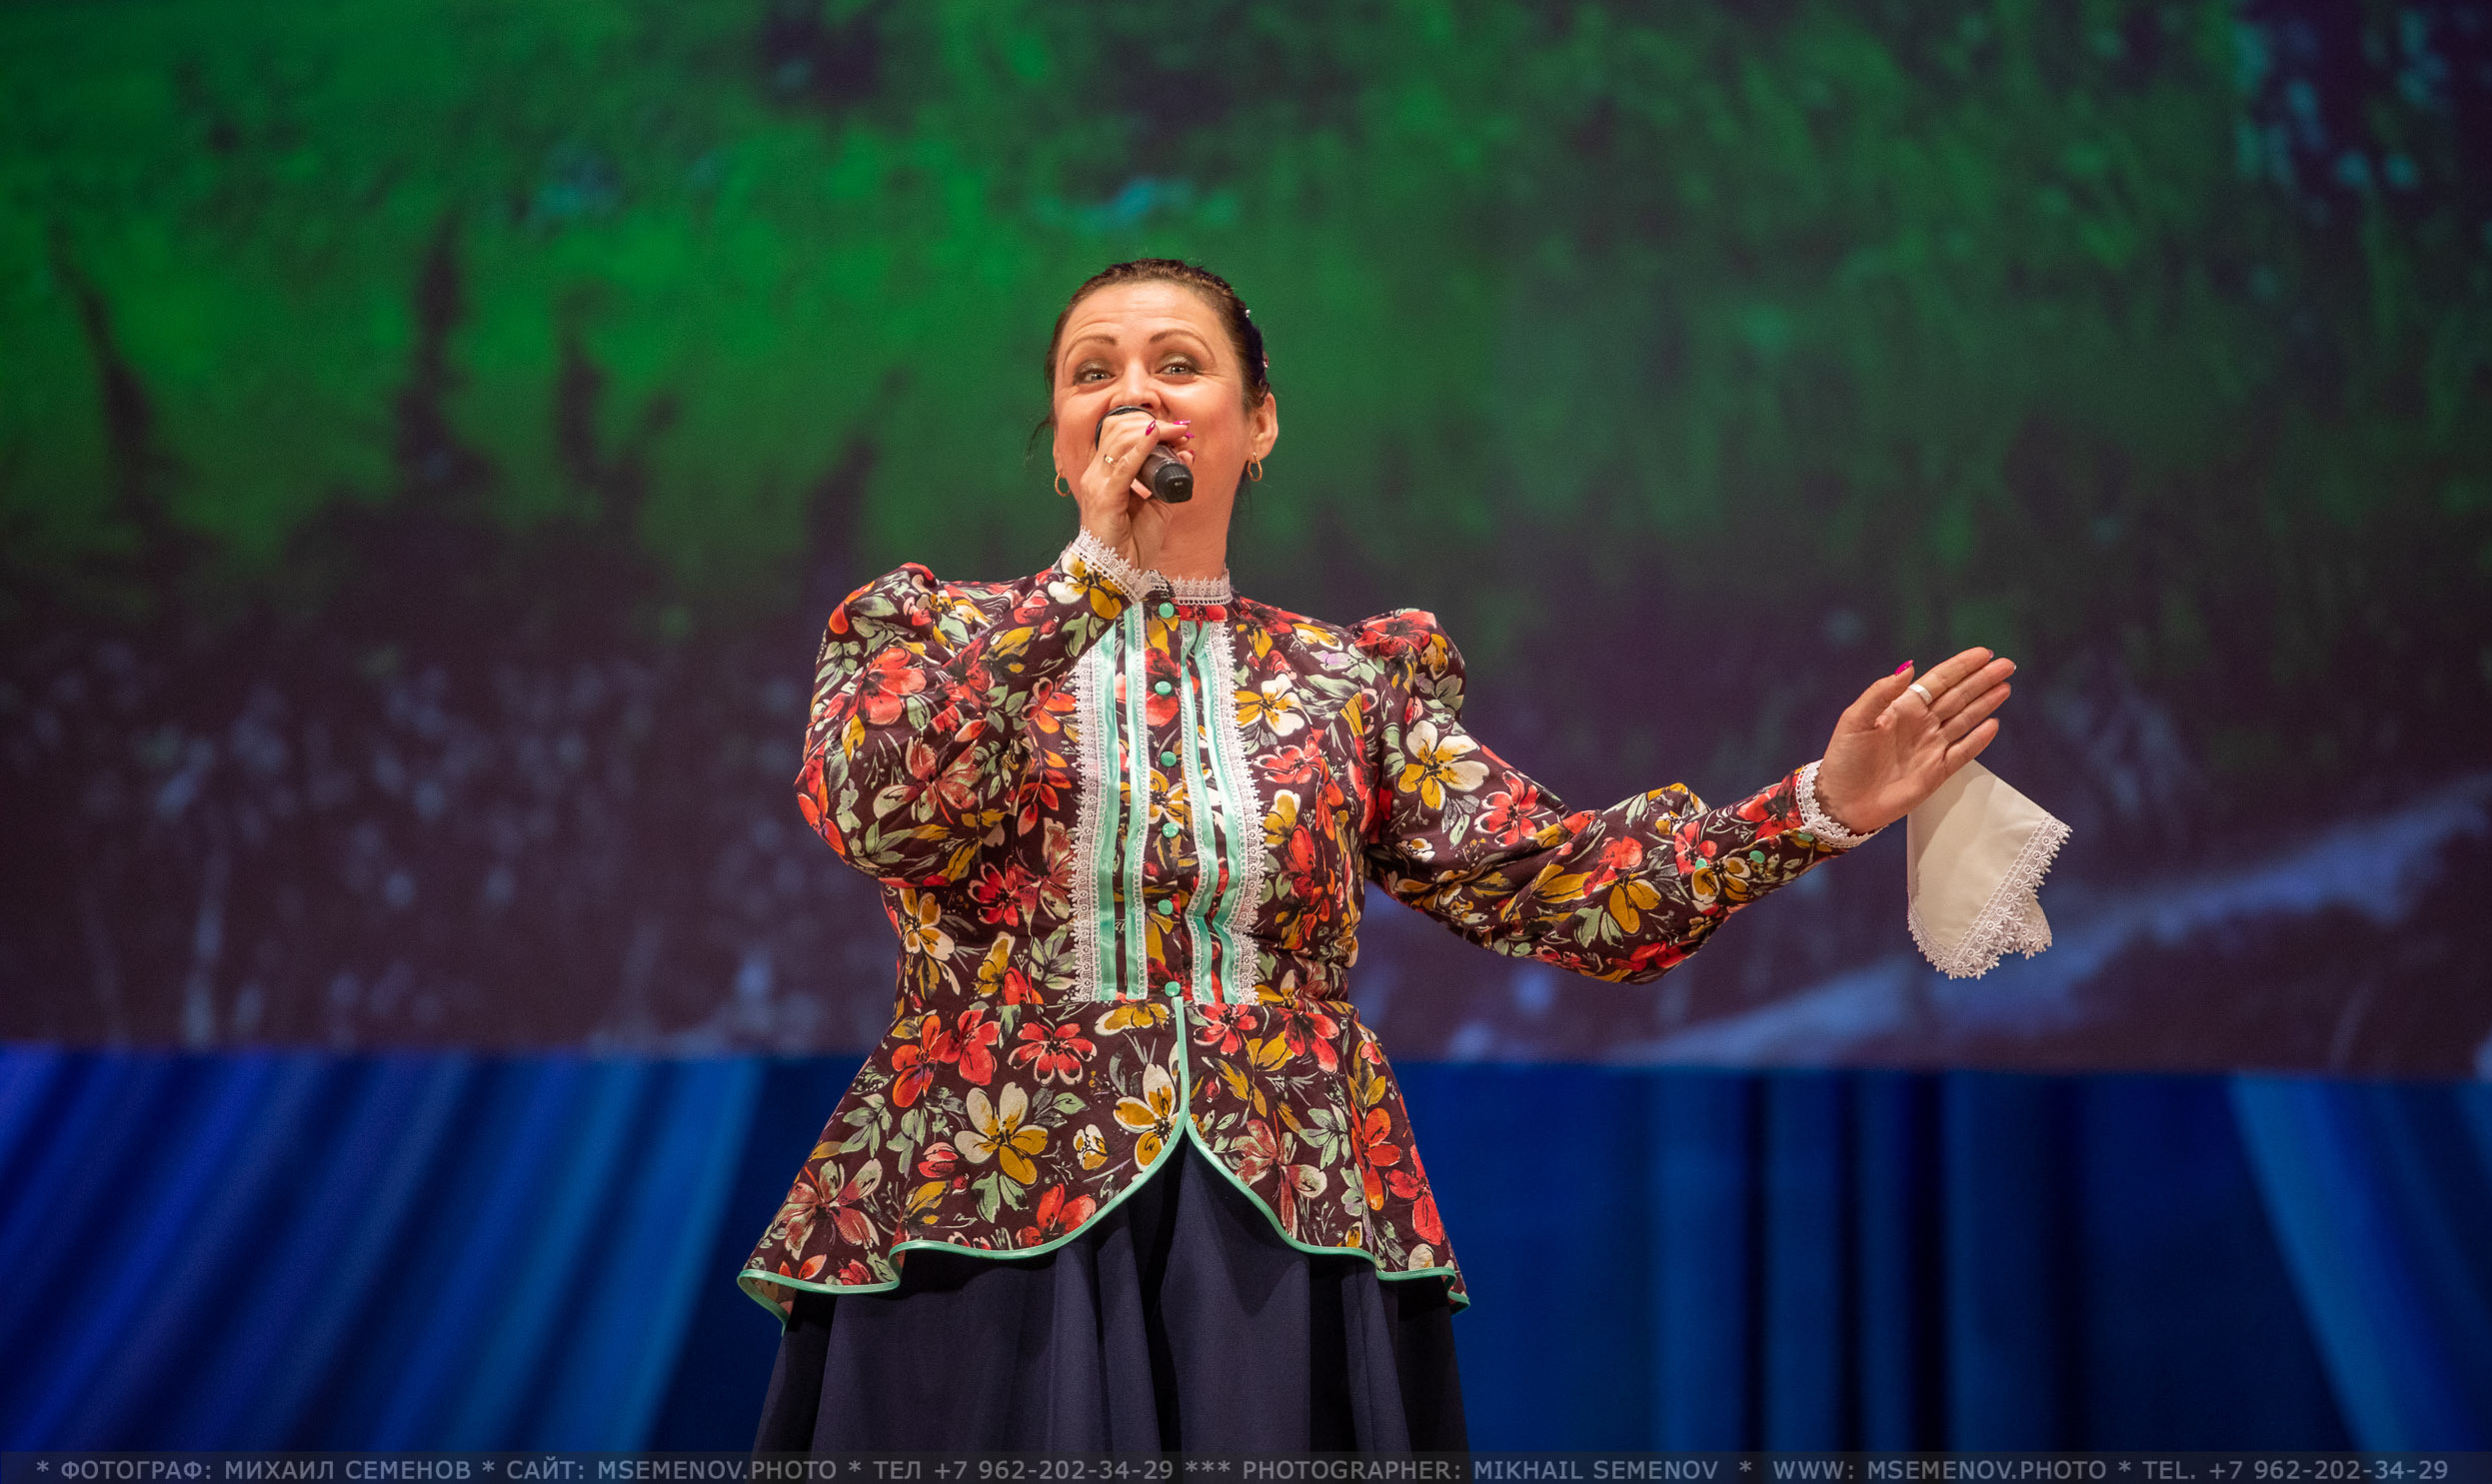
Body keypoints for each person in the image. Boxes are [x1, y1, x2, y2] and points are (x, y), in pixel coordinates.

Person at [743, 259, 2016, 1453]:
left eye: (1175, 364)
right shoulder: (929, 630)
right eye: (1092, 372)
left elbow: (1553, 888)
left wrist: (1812, 806)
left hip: (1277, 1215)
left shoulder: (1344, 681)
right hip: (986, 1202)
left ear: (1260, 425)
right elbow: (877, 810)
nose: (1132, 392)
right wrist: (1090, 584)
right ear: (1061, 432)